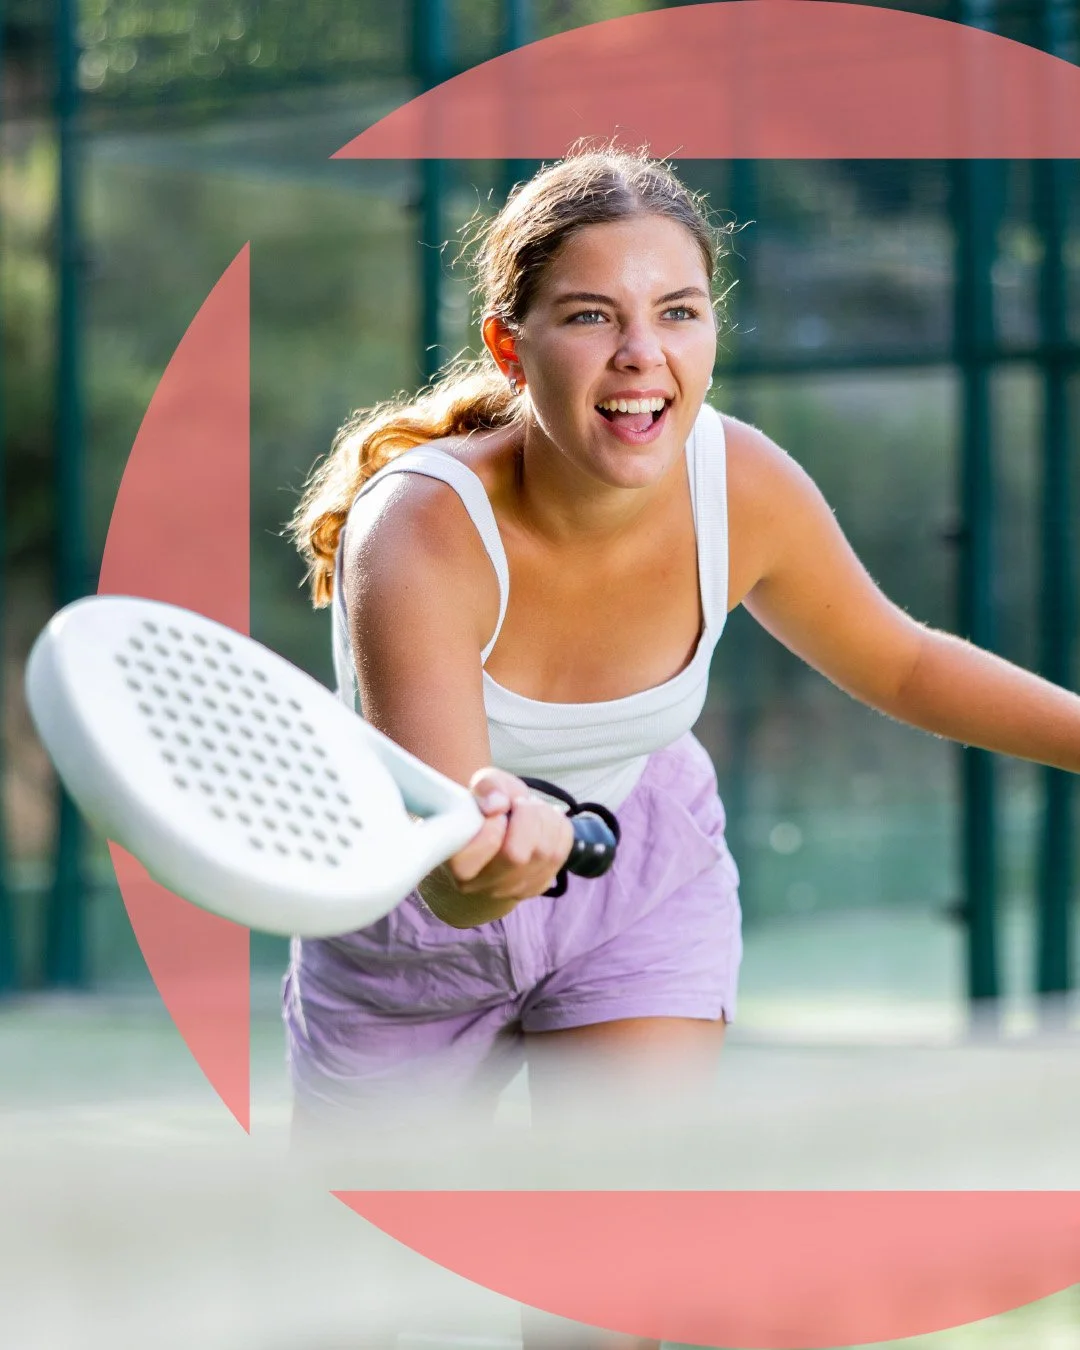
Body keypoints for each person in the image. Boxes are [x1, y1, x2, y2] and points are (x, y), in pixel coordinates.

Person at [284, 145, 1080, 1346]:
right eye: (590, 317)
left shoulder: (740, 480)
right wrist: (494, 857)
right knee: (351, 1310)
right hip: (403, 933)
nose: (639, 355)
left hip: (640, 884)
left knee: (608, 1292)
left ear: (712, 334)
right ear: (512, 348)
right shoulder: (422, 531)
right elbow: (455, 879)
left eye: (678, 313)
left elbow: (902, 659)